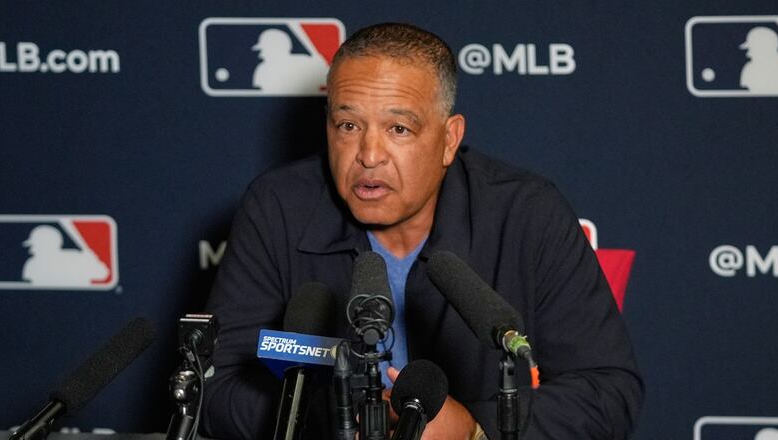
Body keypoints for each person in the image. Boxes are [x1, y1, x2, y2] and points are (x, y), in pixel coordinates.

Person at [202, 23, 643, 440]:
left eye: (398, 128)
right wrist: (337, 420)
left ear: (449, 139)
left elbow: (607, 389)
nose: (369, 155)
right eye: (348, 126)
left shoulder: (526, 213)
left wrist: (473, 427)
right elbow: (216, 387)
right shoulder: (278, 208)